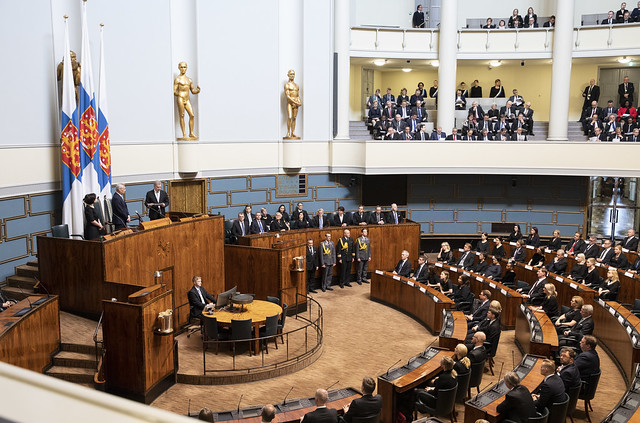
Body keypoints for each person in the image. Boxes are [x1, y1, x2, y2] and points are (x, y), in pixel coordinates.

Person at [174, 61, 201, 139]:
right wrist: (179, 95)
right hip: (181, 98)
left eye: (184, 67)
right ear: (179, 68)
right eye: (181, 67)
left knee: (192, 115)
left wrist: (197, 91)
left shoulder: (189, 80)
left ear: (186, 68)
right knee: (182, 115)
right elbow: (174, 91)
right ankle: (184, 134)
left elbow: (192, 91)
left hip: (187, 99)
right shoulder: (177, 79)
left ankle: (191, 133)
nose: (183, 69)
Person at [284, 69, 302, 139]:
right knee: (290, 117)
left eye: (293, 74)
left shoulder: (297, 85)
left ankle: (293, 132)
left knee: (294, 118)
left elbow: (297, 95)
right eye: (291, 74)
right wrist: (295, 102)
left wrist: (299, 101)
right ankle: (288, 132)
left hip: (296, 103)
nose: (292, 75)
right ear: (288, 75)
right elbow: (287, 96)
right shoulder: (287, 85)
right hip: (290, 102)